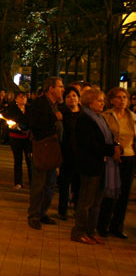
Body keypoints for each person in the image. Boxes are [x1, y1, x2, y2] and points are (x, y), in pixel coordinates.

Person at [71, 89, 120, 245]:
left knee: (96, 202)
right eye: (99, 100)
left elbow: (107, 139)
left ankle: (92, 231)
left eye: (102, 100)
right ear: (90, 102)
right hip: (90, 165)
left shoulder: (100, 118)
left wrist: (116, 147)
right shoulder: (84, 120)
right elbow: (90, 144)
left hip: (101, 165)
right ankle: (79, 231)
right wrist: (111, 150)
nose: (102, 103)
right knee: (86, 201)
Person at [98, 87, 135, 239]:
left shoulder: (132, 117)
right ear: (112, 100)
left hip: (129, 156)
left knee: (124, 194)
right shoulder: (106, 116)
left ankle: (117, 226)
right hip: (112, 158)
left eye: (124, 97)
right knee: (110, 192)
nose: (122, 100)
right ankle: (102, 225)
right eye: (119, 97)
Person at [27, 77, 64, 230]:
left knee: (50, 184)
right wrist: (53, 117)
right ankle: (34, 214)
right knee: (39, 184)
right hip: (43, 147)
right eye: (60, 86)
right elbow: (35, 124)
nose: (62, 89)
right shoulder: (39, 103)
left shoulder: (57, 105)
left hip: (54, 147)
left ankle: (43, 212)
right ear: (51, 89)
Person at [58, 86, 82, 220]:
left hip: (80, 153)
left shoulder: (84, 114)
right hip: (66, 153)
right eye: (68, 96)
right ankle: (62, 210)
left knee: (78, 183)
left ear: (79, 98)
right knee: (64, 183)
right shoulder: (62, 113)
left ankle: (77, 208)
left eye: (74, 95)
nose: (72, 98)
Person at [5, 92, 32, 190]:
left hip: (27, 137)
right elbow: (8, 121)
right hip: (16, 137)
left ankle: (32, 181)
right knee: (18, 160)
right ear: (16, 99)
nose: (23, 99)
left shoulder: (29, 109)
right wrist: (14, 126)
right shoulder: (12, 109)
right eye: (20, 97)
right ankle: (18, 182)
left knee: (30, 160)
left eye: (24, 97)